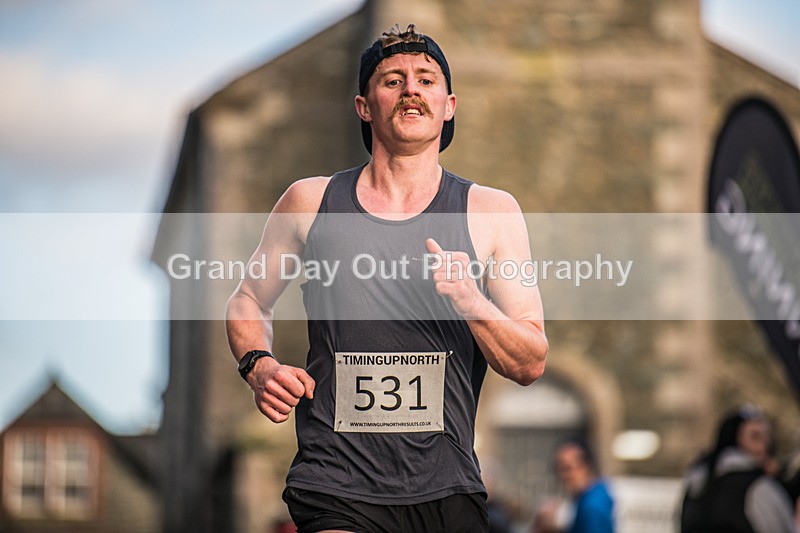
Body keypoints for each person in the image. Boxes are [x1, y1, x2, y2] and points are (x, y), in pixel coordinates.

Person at [225, 23, 548, 533]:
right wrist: (259, 366)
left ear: (449, 105)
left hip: (447, 484)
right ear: (364, 105)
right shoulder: (310, 202)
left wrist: (473, 302)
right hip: (337, 480)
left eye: (426, 79)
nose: (411, 89)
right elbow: (247, 299)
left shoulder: (490, 211)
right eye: (392, 80)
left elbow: (530, 360)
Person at [680, 406, 797, 533]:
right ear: (734, 439)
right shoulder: (757, 486)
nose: (764, 445)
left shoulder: (698, 481)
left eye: (767, 436)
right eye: (755, 436)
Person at [547, 437, 615, 533]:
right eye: (558, 470)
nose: (563, 476)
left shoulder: (592, 507)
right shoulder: (588, 499)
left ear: (586, 467)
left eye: (567, 468)